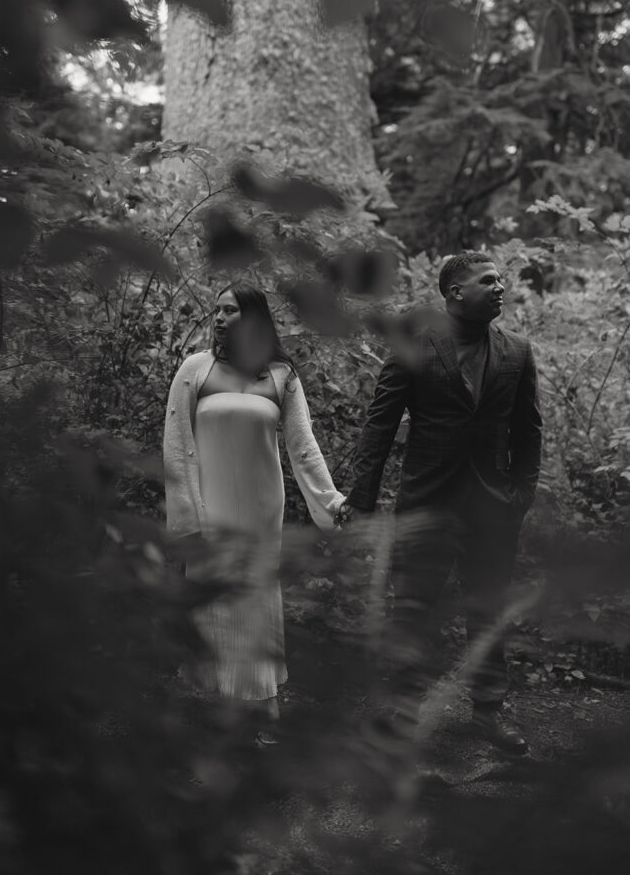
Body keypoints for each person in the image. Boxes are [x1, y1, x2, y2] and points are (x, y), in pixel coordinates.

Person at [337, 251, 542, 754]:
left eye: (501, 280)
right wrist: (362, 498)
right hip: (427, 503)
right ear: (455, 292)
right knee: (412, 611)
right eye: (488, 280)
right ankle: (404, 714)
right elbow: (380, 423)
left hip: (493, 508)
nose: (500, 287)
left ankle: (489, 713)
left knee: (488, 611)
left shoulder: (517, 351)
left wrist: (521, 493)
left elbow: (528, 429)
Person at [163, 283, 345, 741]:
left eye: (231, 310)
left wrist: (333, 503)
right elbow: (176, 447)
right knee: (213, 598)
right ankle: (217, 708)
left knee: (256, 599)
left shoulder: (281, 375)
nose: (219, 318)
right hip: (209, 506)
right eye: (217, 310)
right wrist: (186, 518)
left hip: (262, 506)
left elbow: (303, 448)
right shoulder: (195, 369)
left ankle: (264, 706)